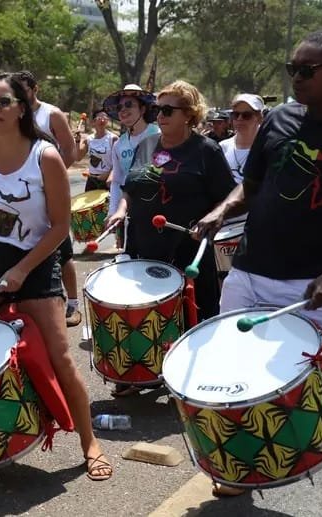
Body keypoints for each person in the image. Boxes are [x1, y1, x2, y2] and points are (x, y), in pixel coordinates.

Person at [194, 31, 322, 516]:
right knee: (233, 374)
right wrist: (221, 210)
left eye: (307, 70)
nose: (297, 78)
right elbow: (251, 188)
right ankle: (237, 468)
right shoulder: (281, 119)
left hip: (319, 282)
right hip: (249, 271)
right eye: (293, 69)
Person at [0, 72, 112, 481]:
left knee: (61, 356)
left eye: (4, 102)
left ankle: (90, 442)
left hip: (35, 263)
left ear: (22, 107)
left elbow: (59, 227)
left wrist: (22, 269)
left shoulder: (45, 156)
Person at [106, 80, 236, 397]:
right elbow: (130, 189)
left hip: (187, 247)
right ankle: (141, 369)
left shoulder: (206, 151)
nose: (159, 115)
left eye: (167, 110)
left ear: (189, 115)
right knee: (143, 313)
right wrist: (121, 211)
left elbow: (229, 197)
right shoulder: (146, 146)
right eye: (156, 109)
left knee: (194, 313)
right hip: (145, 243)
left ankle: (192, 377)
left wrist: (209, 220)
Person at [13, 71, 82, 326]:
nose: (18, 95)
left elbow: (71, 152)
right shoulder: (15, 114)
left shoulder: (52, 114)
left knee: (62, 249)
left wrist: (48, 178)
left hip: (51, 191)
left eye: (22, 89)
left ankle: (73, 304)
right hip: (23, 195)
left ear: (35, 88)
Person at [104, 84, 161, 250]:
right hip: (131, 210)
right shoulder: (119, 145)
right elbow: (117, 181)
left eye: (129, 105)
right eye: (120, 106)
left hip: (159, 208)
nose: (123, 110)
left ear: (143, 109)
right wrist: (113, 212)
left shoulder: (158, 134)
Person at [220, 94, 265, 185]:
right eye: (235, 115)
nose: (239, 119)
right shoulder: (222, 147)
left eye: (246, 115)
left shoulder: (267, 148)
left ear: (259, 118)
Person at [78, 109, 117, 192]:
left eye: (105, 118)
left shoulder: (113, 139)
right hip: (92, 180)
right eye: (99, 118)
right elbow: (78, 157)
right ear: (93, 122)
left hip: (108, 180)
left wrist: (109, 174)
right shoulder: (89, 139)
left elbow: (119, 162)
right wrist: (77, 141)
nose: (102, 120)